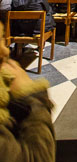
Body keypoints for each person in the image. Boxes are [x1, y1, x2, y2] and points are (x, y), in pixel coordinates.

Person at [0, 21, 56, 162]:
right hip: (37, 30)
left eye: (1, 37)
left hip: (20, 30)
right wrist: (32, 98)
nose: (5, 51)